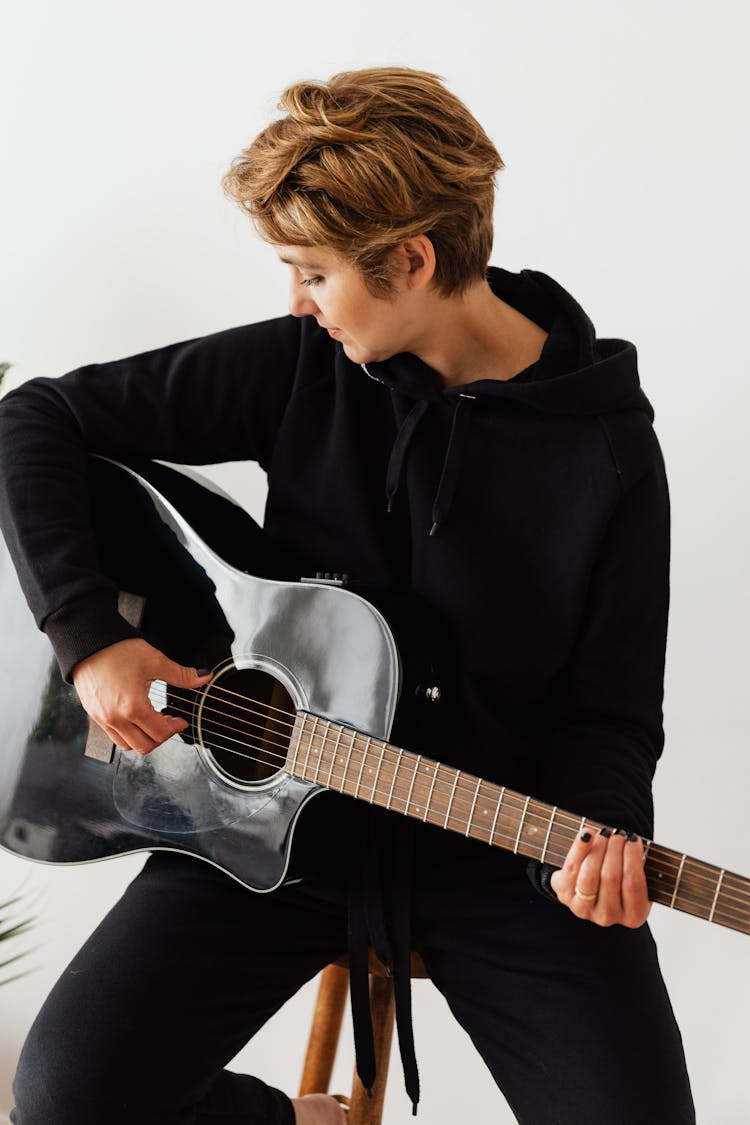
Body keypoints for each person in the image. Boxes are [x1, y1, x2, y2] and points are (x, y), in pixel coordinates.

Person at [0, 67, 695, 1124]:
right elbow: (33, 420)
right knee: (64, 1103)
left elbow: (610, 710)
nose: (296, 302)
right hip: (260, 829)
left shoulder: (609, 453)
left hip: (496, 857)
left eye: (312, 273)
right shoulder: (304, 367)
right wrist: (90, 637)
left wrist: (601, 839)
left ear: (413, 260)